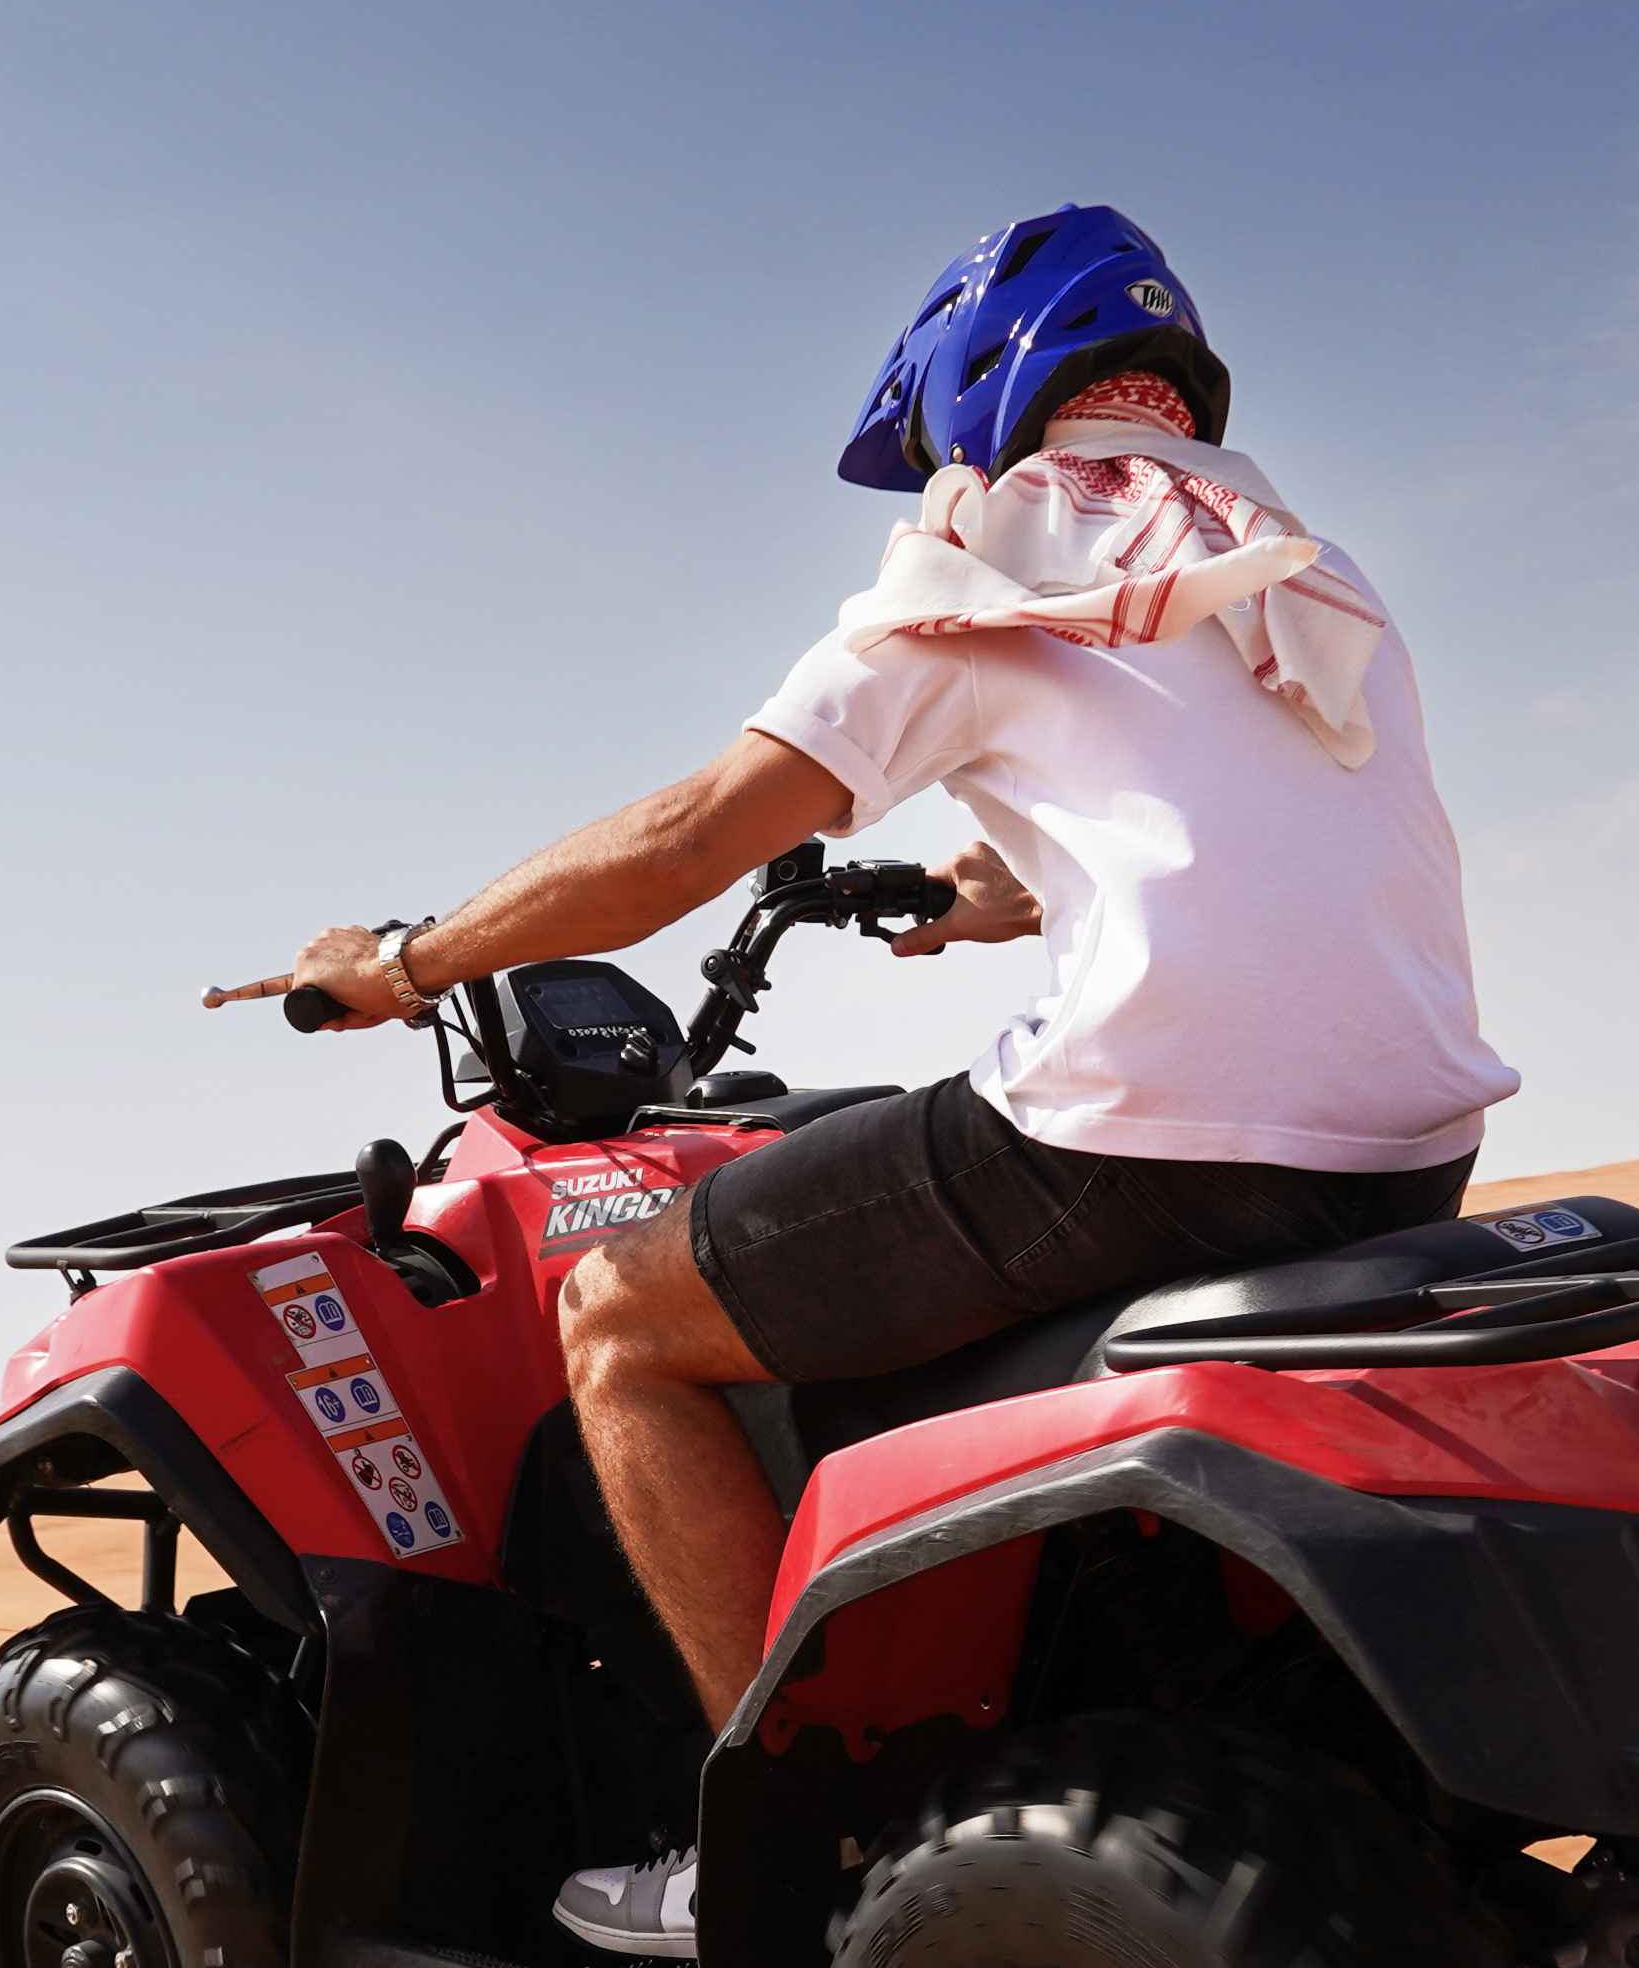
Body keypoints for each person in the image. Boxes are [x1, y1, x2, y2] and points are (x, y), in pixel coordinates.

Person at [206, 203, 1517, 1866]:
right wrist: (992, 888)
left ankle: (792, 1830)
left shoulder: (989, 560)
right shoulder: (1300, 570)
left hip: (1157, 1139)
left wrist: (408, 958)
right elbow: (1241, 845)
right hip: (1408, 1154)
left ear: (978, 386)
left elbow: (688, 841)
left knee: (620, 1317)